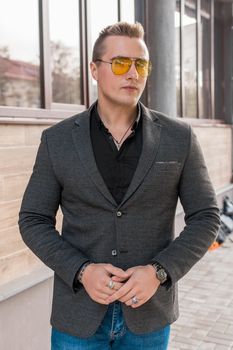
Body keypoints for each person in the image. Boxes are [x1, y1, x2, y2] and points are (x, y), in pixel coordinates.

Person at [19, 22, 220, 350]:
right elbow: (32, 219)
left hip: (148, 318)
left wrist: (158, 272)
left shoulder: (179, 138)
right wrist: (82, 271)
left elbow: (207, 217)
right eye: (121, 63)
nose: (133, 73)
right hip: (78, 316)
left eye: (141, 64)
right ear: (95, 70)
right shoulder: (57, 140)